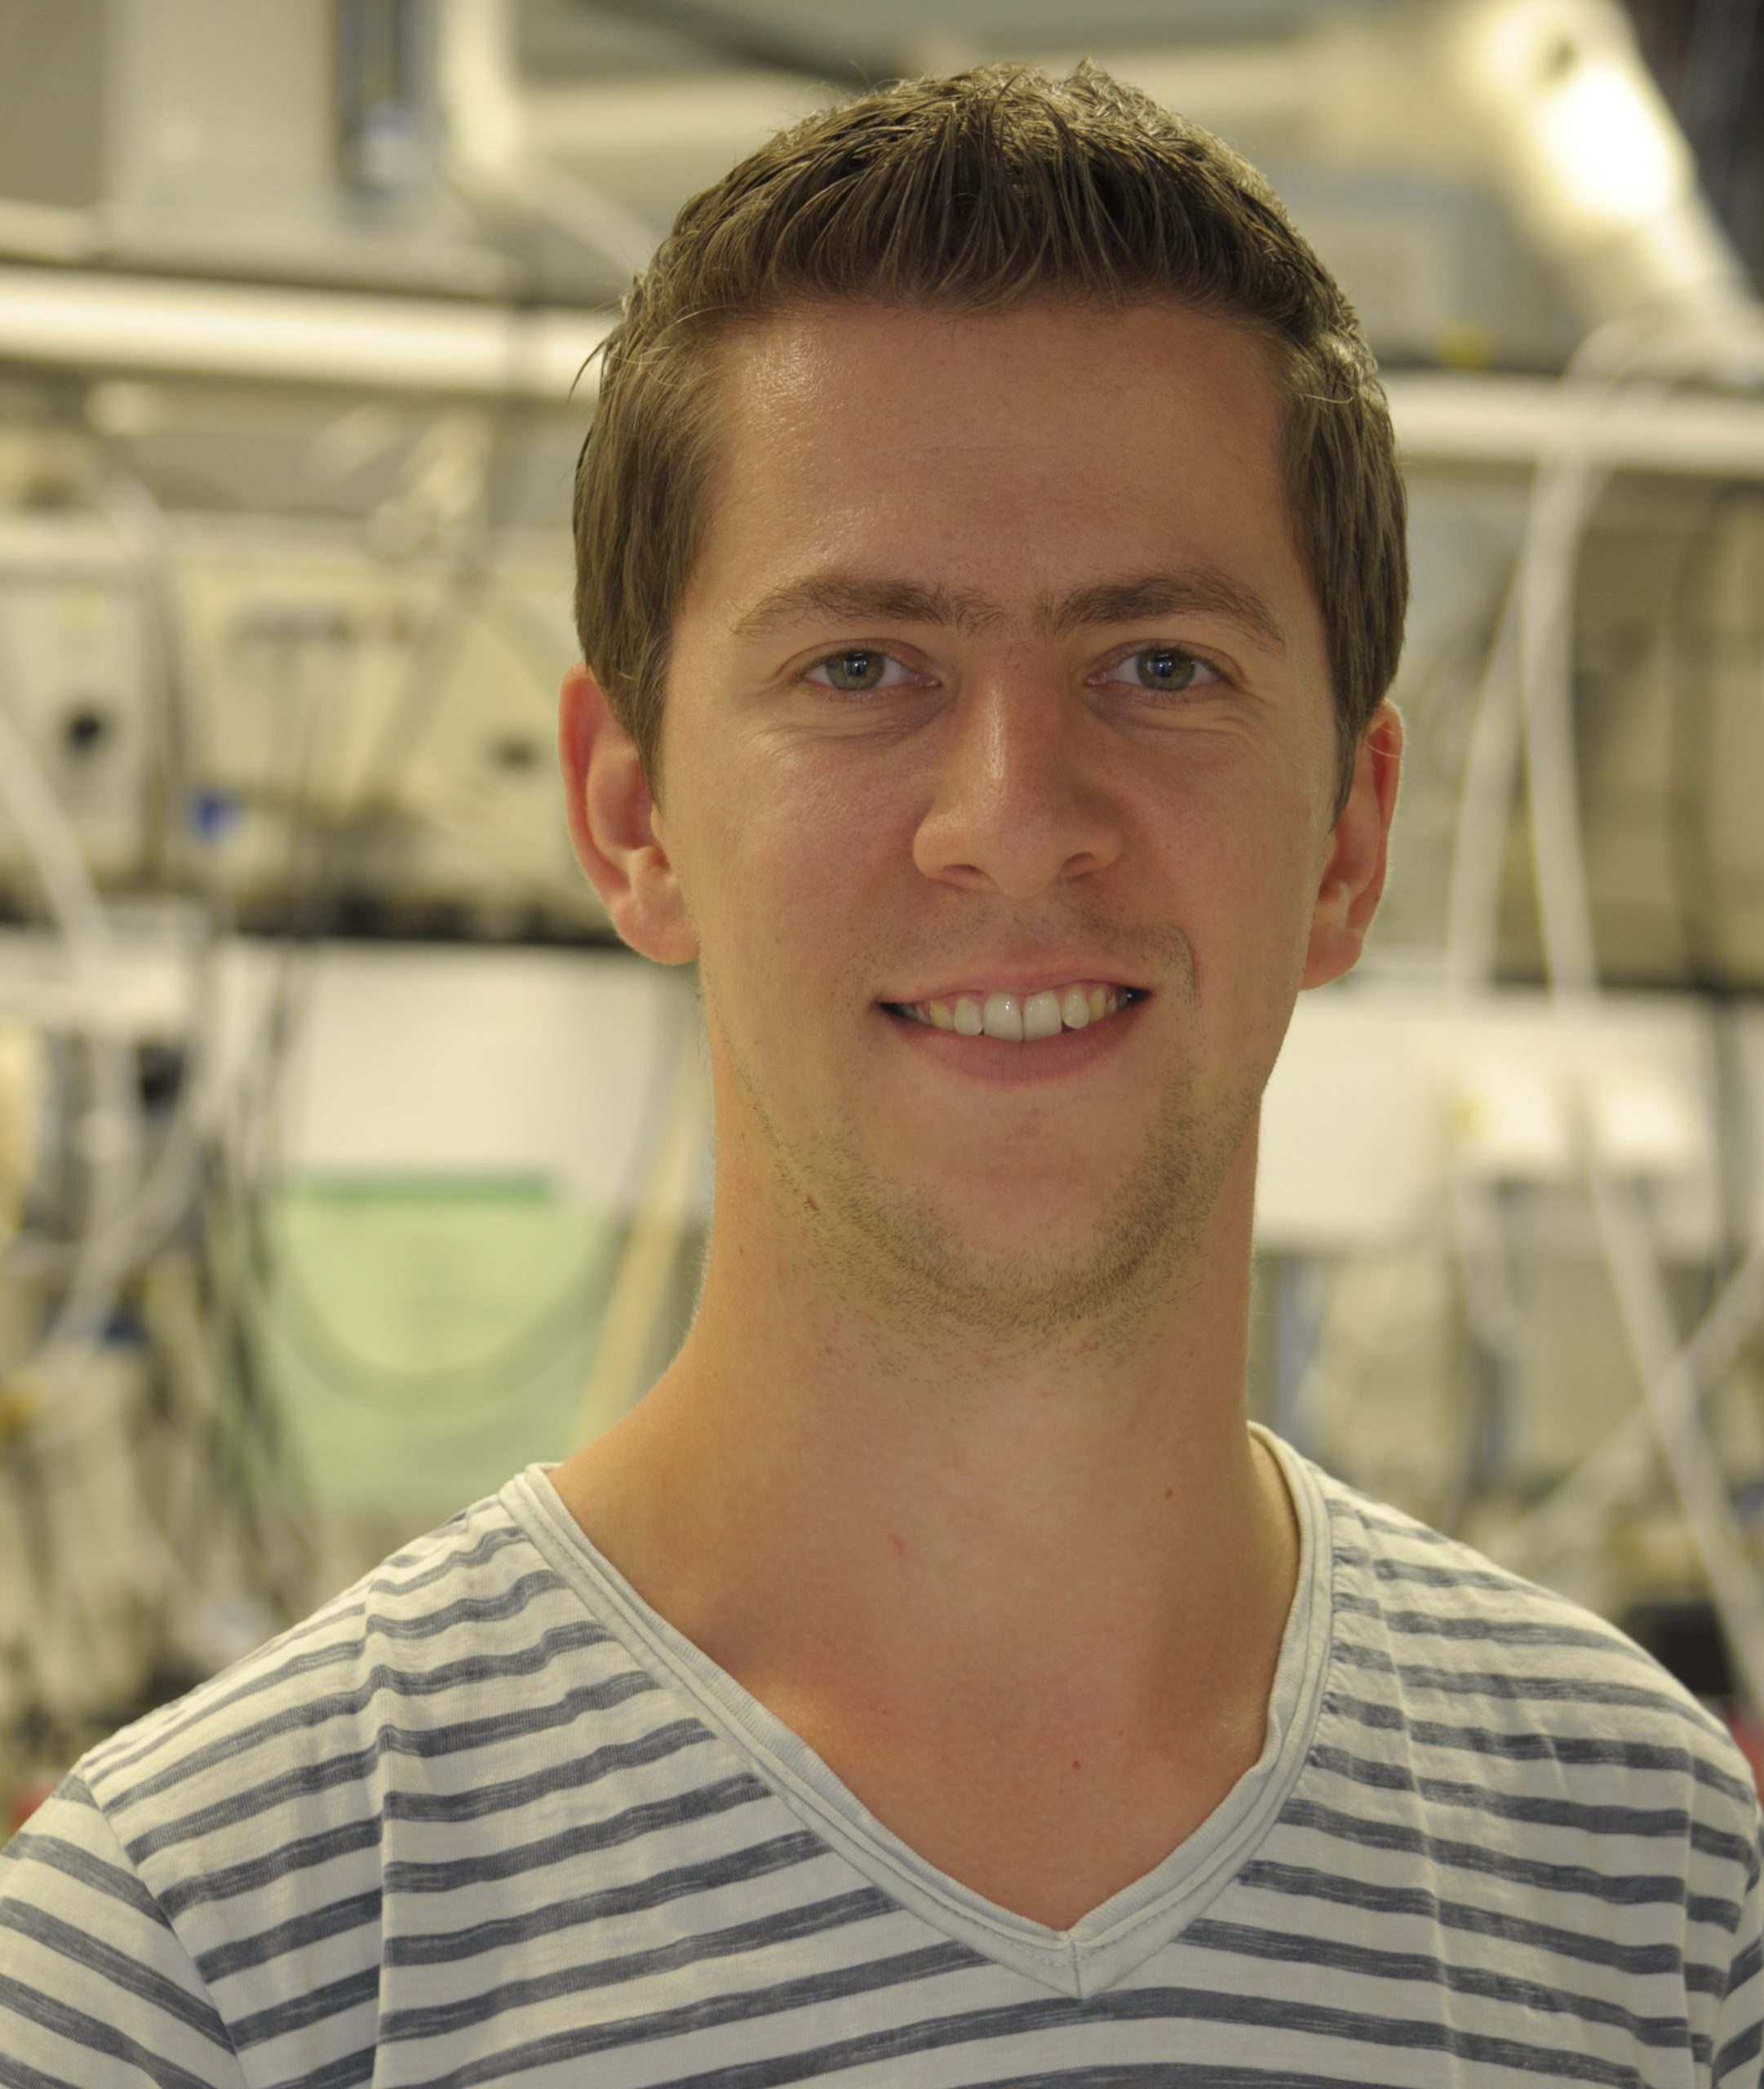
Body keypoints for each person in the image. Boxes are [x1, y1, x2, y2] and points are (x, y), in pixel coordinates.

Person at [2, 59, 1759, 2087]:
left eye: (1159, 665)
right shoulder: (205, 1948)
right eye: (860, 668)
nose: (1012, 821)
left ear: (1350, 840)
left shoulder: (1647, 1878)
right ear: (631, 812)